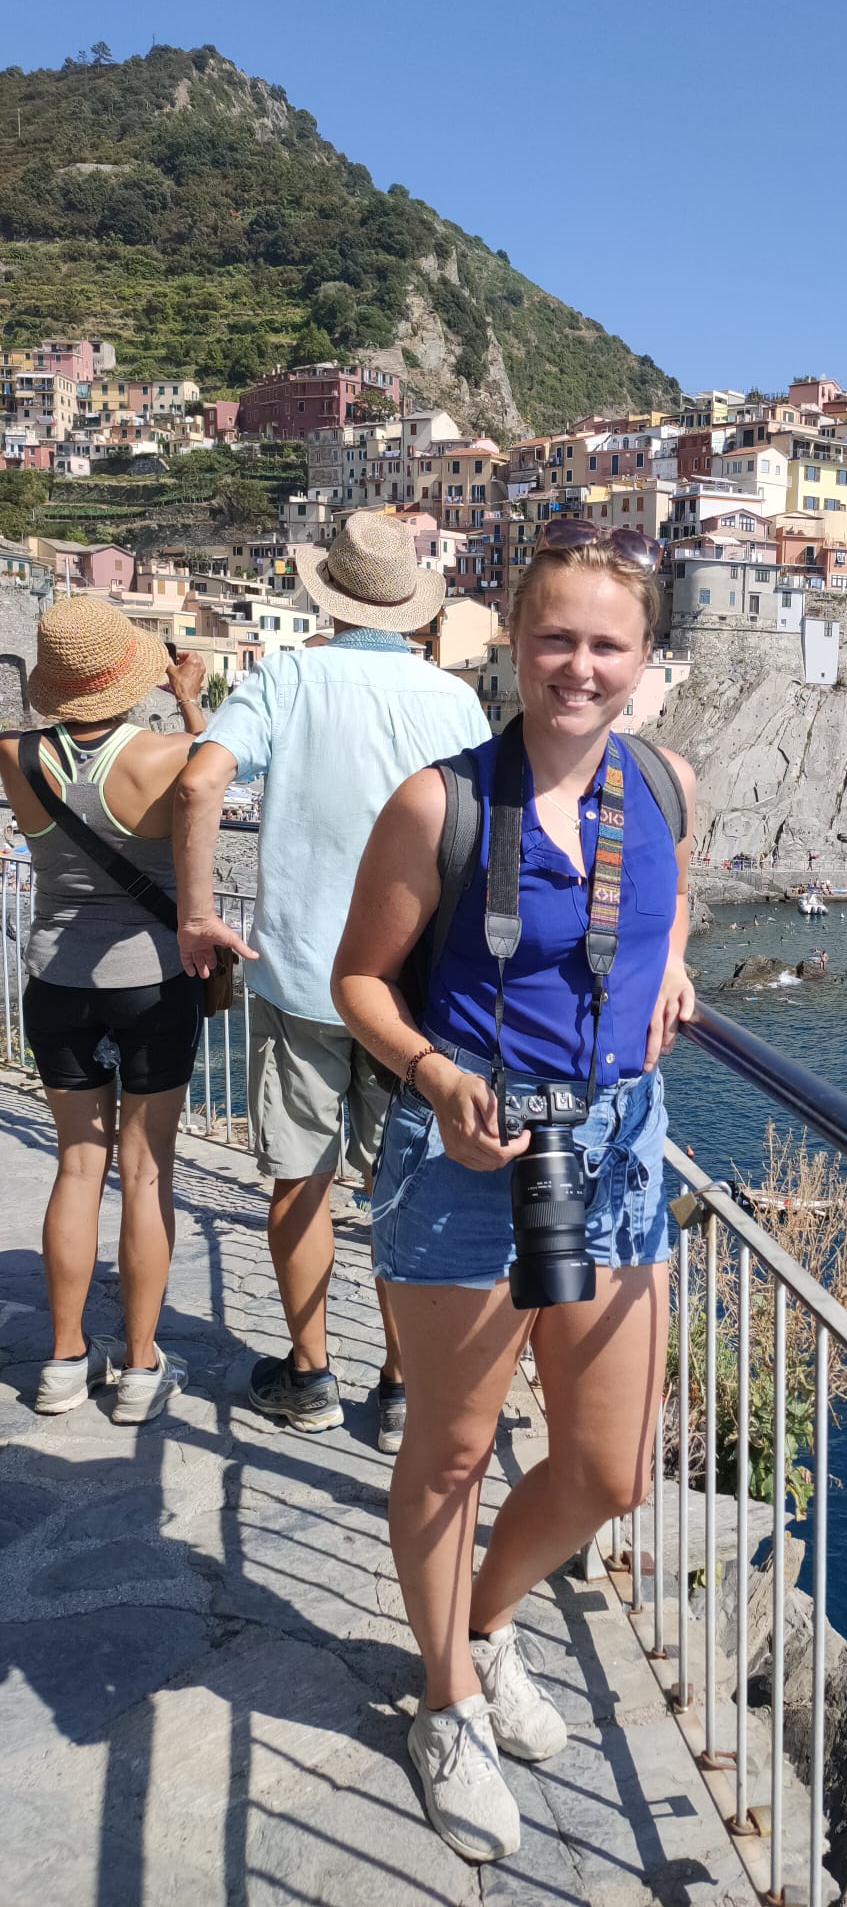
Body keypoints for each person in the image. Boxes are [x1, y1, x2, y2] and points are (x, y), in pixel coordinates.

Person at [331, 518, 695, 1863]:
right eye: (556, 639)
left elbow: (661, 904)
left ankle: (483, 1628)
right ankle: (448, 1698)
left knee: (607, 1471)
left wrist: (669, 963)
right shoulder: (440, 803)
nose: (579, 668)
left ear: (647, 660)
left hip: (616, 1154)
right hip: (467, 1158)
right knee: (453, 1455)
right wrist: (431, 1074)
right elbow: (356, 983)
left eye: (609, 644)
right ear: (512, 644)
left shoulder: (664, 786)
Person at [173, 511, 490, 1449]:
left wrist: (198, 913)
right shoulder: (455, 702)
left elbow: (199, 784)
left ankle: (309, 1375)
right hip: (414, 994)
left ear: (330, 595)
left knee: (299, 1178)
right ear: (411, 609)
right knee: (401, 1189)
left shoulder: (288, 676)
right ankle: (399, 1391)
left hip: (305, 974)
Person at [0, 597, 206, 1423]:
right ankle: (142, 1368)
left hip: (56, 979)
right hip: (152, 979)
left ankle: (61, 1363)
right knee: (147, 1170)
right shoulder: (171, 753)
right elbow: (225, 769)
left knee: (77, 1167)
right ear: (129, 671)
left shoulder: (14, 754)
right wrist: (188, 695)